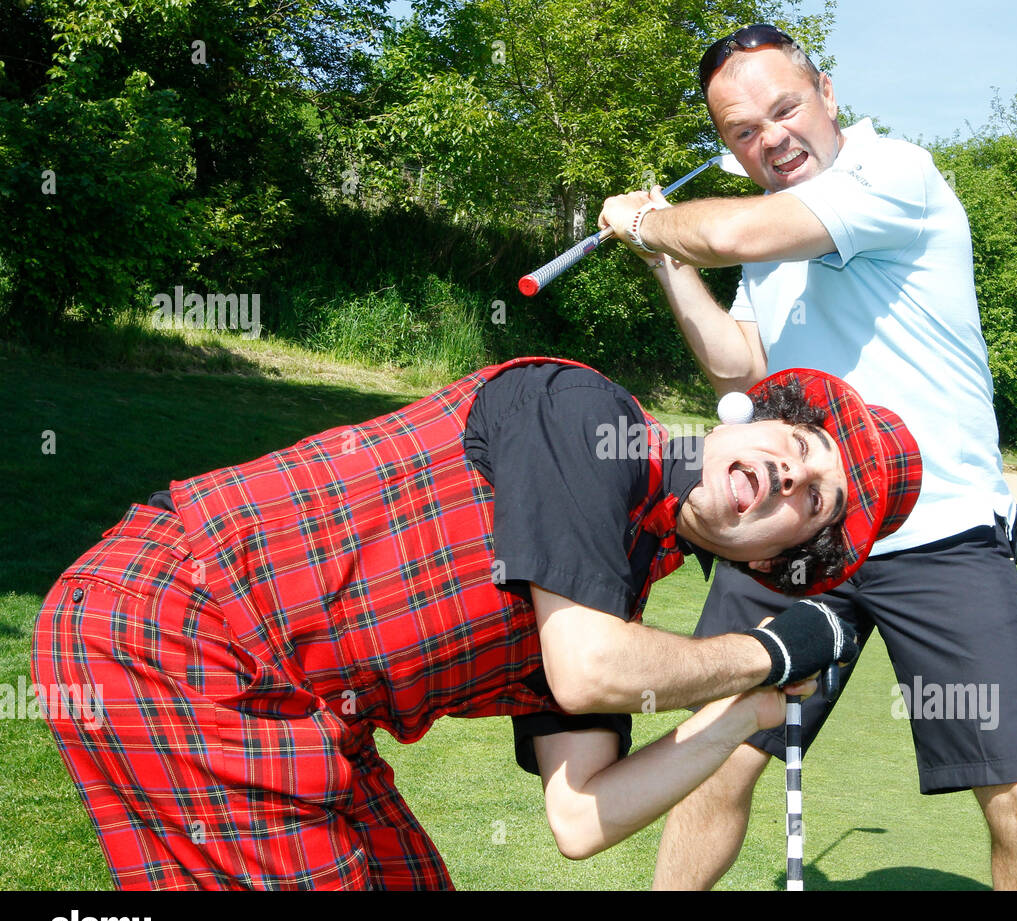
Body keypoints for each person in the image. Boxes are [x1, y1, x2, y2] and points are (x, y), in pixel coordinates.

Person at [30, 354, 920, 889]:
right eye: (800, 447)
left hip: (295, 707)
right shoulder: (587, 413)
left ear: (773, 559)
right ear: (750, 424)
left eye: (815, 503)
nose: (793, 477)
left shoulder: (612, 590)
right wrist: (767, 652)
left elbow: (584, 820)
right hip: (175, 622)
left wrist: (751, 714)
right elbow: (587, 669)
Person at [597, 24, 1017, 890]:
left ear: (826, 92)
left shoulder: (892, 176)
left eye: (784, 109)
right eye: (743, 132)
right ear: (727, 146)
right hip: (790, 532)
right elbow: (738, 365)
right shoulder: (770, 240)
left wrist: (647, 217)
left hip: (939, 531)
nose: (771, 137)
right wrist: (662, 254)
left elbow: (741, 233)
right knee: (717, 753)